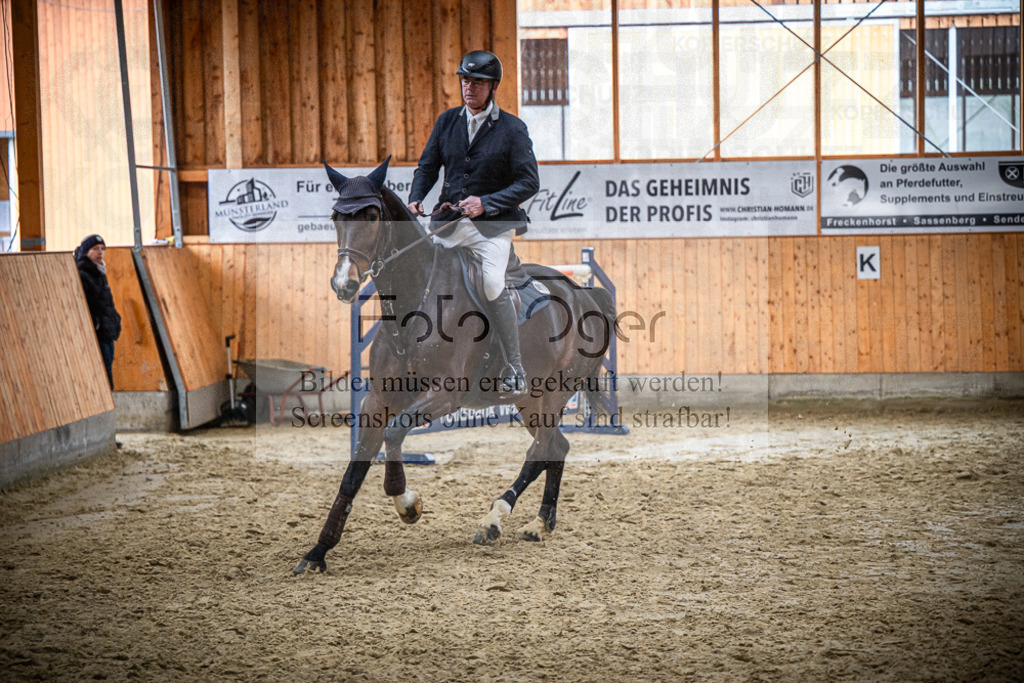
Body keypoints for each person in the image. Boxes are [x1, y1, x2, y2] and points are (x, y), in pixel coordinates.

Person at [407, 49, 540, 399]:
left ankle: (514, 366)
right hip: (449, 223)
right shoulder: (447, 121)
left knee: (493, 282)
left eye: (478, 82)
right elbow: (427, 166)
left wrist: (486, 203)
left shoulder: (512, 129)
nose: (469, 87)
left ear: (492, 86)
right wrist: (416, 196)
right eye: (465, 80)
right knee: (421, 273)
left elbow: (529, 182)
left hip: (493, 228)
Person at [74, 234, 121, 389]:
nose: (100, 252)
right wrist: (96, 323)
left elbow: (106, 301)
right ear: (87, 251)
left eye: (102, 249)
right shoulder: (82, 274)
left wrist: (115, 320)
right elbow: (81, 303)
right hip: (98, 333)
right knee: (104, 374)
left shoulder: (99, 271)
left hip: (108, 331)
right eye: (95, 249)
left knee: (108, 369)